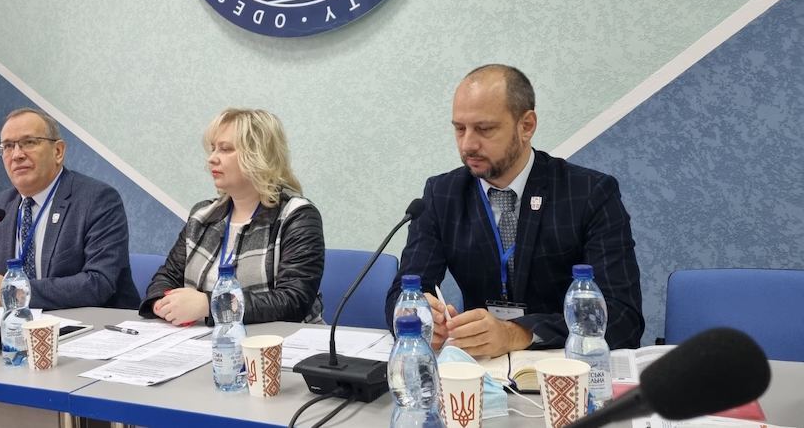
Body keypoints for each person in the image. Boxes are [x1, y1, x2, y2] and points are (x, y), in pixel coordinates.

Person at [385, 65, 643, 357]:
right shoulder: (442, 194)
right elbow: (402, 293)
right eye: (459, 129)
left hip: (564, 366)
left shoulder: (589, 193)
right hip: (480, 369)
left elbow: (623, 317)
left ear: (526, 126)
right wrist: (416, 315)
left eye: (484, 129)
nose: (468, 144)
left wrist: (518, 333)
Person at [0, 108, 141, 310]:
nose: (17, 155)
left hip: (88, 324)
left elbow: (98, 284)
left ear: (58, 151)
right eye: (8, 146)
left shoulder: (97, 199)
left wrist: (10, 293)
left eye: (29, 142)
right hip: (12, 325)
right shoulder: (0, 206)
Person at [139, 108, 324, 325]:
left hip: (276, 341)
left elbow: (294, 301)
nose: (212, 159)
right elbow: (166, 277)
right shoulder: (202, 215)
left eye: (225, 149)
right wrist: (162, 302)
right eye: (212, 149)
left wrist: (211, 305)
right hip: (205, 338)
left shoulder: (297, 216)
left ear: (259, 155)